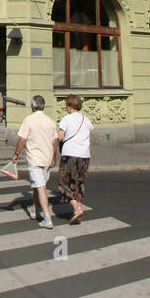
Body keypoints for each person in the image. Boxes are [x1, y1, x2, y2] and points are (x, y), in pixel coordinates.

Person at [10, 95, 59, 229]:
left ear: (32, 106)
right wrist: (54, 157)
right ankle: (34, 208)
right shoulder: (50, 121)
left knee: (41, 187)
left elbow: (22, 139)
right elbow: (55, 142)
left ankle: (47, 218)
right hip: (47, 159)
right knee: (39, 185)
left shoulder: (29, 120)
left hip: (35, 159)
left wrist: (16, 154)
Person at [56, 94, 93, 225]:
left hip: (70, 154)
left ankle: (76, 208)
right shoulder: (86, 119)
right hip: (85, 155)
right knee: (80, 182)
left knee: (63, 181)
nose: (66, 107)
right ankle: (79, 208)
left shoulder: (66, 119)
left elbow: (60, 137)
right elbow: (89, 138)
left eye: (66, 104)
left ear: (70, 106)